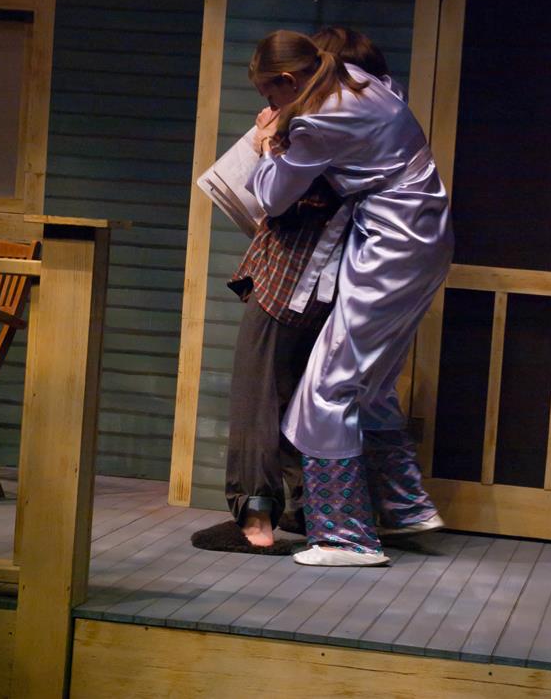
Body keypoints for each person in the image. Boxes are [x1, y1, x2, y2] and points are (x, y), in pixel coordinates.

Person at [247, 30, 453, 566]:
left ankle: (345, 538)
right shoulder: (362, 80)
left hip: (393, 246)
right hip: (424, 236)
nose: (268, 106)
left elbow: (270, 194)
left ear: (289, 81)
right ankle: (406, 506)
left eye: (270, 95)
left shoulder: (317, 121)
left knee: (327, 387)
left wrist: (269, 141)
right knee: (373, 382)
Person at [194, 28, 391, 554]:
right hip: (332, 285)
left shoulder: (320, 128)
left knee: (257, 395)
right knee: (309, 398)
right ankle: (315, 512)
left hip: (293, 282)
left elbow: (285, 202)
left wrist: (265, 145)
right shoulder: (374, 119)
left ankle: (255, 519)